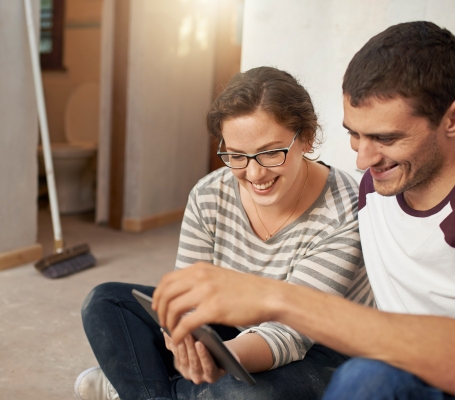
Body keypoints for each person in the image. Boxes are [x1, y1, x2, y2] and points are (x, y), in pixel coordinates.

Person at [153, 21, 455, 399]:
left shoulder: (348, 201)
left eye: (386, 138)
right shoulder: (374, 190)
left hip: (402, 371)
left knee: (363, 378)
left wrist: (275, 299)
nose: (362, 160)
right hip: (388, 362)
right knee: (114, 302)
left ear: (451, 120)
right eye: (354, 134)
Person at [74, 66, 374, 400]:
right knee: (106, 301)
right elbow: (190, 295)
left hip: (323, 349)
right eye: (236, 156)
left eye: (270, 152)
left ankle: (139, 385)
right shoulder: (209, 194)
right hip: (236, 326)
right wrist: (186, 335)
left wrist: (220, 360)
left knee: (242, 393)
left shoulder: (345, 209)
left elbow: (289, 335)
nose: (254, 173)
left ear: (306, 137)